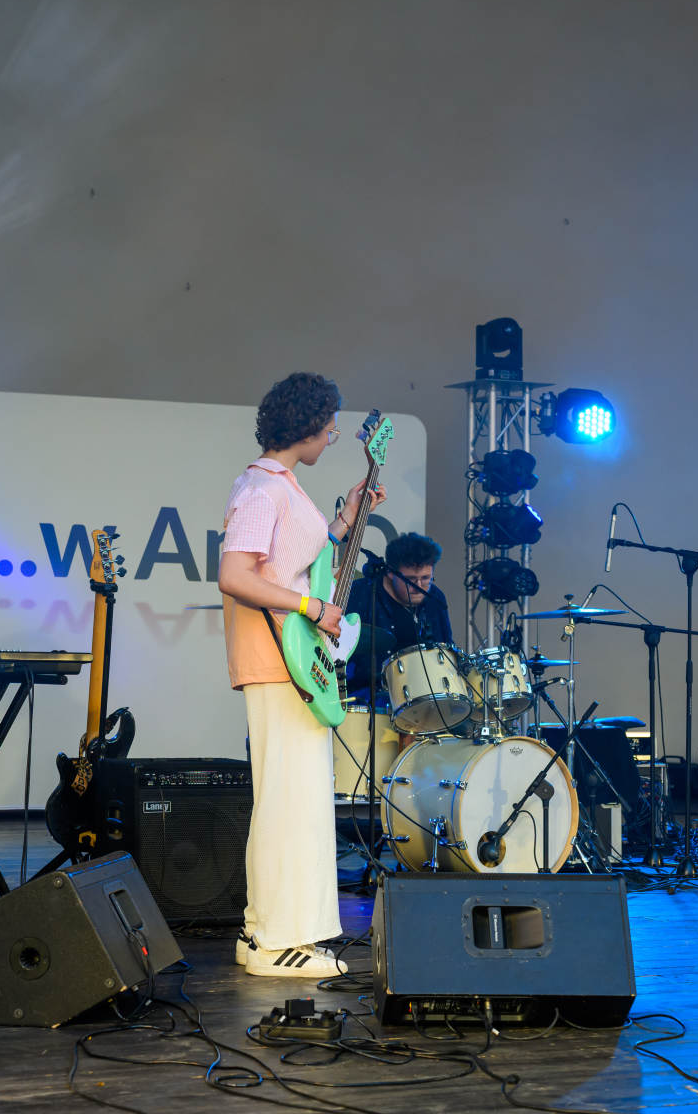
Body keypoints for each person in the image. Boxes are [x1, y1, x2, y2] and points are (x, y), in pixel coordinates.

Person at [217, 372, 383, 977]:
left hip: (295, 659)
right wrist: (312, 608)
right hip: (277, 657)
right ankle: (278, 942)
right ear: (309, 427)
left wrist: (346, 518)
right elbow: (235, 575)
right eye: (330, 428)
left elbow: (298, 565)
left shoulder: (282, 486)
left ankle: (267, 932)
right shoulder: (262, 488)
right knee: (289, 802)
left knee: (295, 802)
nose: (333, 437)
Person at [342, 532, 453, 702]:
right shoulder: (360, 593)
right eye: (410, 580)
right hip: (367, 697)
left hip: (423, 697)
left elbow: (445, 651)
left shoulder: (435, 599)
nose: (418, 586)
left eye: (426, 578)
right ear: (390, 573)